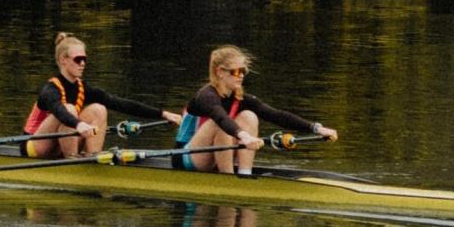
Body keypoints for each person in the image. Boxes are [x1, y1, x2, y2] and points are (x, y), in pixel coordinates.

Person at [178, 45, 338, 176]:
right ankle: (228, 178)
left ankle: (244, 173)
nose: (241, 76)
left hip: (216, 153)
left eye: (243, 71)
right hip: (187, 157)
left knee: (249, 116)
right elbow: (221, 118)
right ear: (220, 72)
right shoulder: (205, 96)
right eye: (236, 71)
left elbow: (275, 115)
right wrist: (244, 136)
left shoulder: (240, 98)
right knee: (219, 124)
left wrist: (316, 128)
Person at [24, 33, 182, 158]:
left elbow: (121, 104)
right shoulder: (50, 89)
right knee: (69, 109)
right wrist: (80, 125)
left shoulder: (83, 88)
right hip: (35, 146)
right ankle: (71, 162)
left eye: (84, 59)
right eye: (78, 59)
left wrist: (163, 114)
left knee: (99, 109)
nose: (83, 64)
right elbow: (60, 111)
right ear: (63, 60)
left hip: (63, 141)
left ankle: (92, 157)